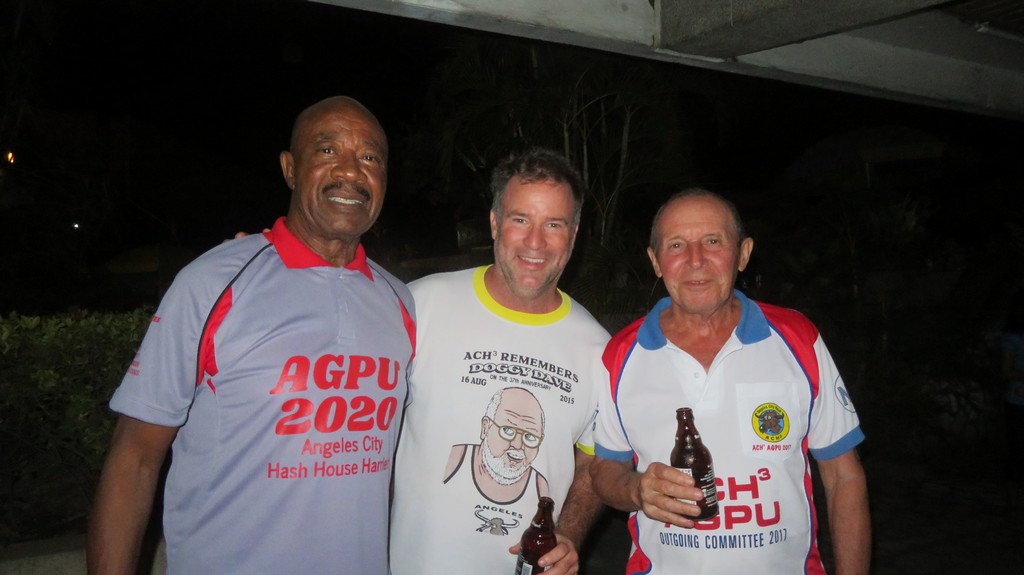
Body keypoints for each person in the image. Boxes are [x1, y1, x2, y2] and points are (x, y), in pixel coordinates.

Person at [87, 96, 416, 575]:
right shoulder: (212, 283)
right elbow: (135, 456)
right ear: (290, 168)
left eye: (370, 157)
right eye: (327, 150)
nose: (351, 171)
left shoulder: (400, 301)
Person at [589, 189, 870, 575]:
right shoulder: (621, 355)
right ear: (655, 261)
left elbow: (843, 477)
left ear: (743, 253)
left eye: (713, 241)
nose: (695, 260)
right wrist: (635, 490)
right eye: (676, 245)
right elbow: (605, 469)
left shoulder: (797, 339)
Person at [388, 147, 609, 575]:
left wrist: (569, 532)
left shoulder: (598, 350)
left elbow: (596, 459)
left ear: (574, 235)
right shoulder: (421, 305)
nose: (535, 242)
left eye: (554, 224)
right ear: (494, 222)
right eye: (520, 219)